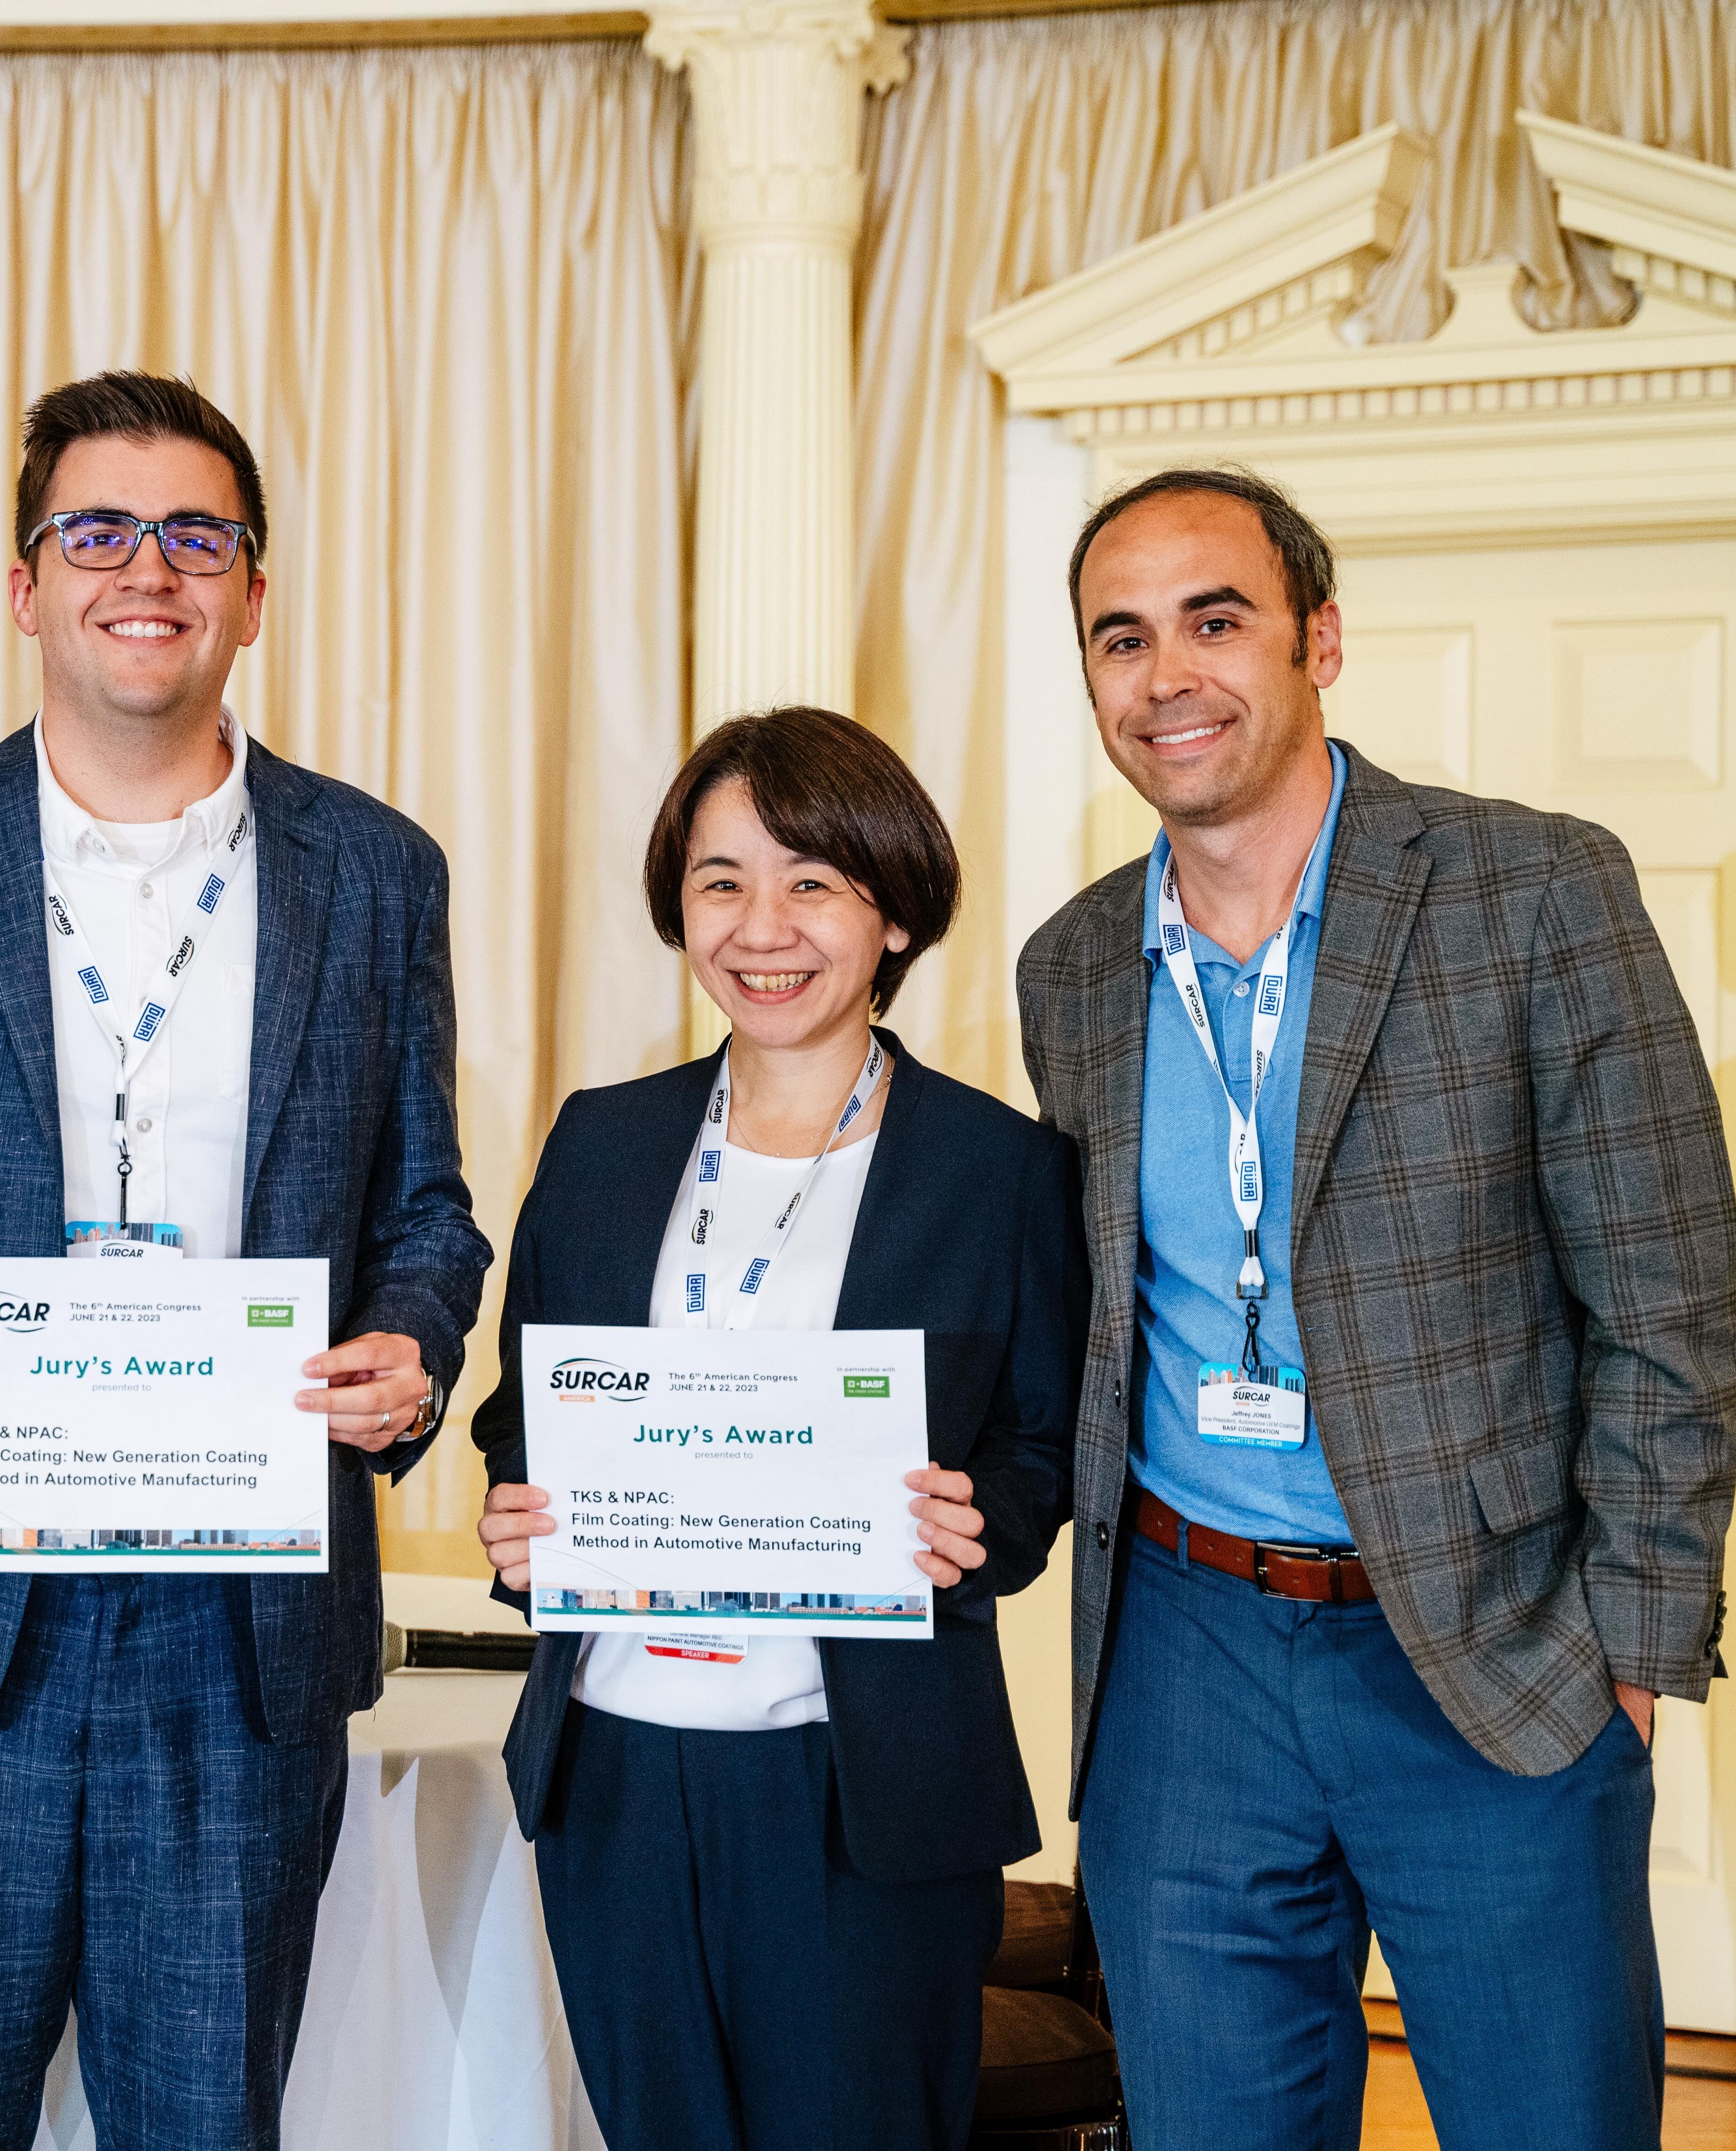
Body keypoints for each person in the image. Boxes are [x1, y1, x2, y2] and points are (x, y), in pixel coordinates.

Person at [0, 369, 491, 2151]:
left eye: (195, 537)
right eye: (97, 532)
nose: (147, 569)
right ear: (25, 586)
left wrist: (410, 1346)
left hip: (235, 1639)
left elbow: (428, 1214)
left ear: (252, 591)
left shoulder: (377, 873)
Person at [1017, 467, 1736, 2149]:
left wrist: (1632, 1656)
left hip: (1495, 1648)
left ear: (1319, 641)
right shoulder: (1073, 966)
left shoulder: (1532, 892)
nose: (1167, 675)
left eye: (1216, 621)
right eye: (1122, 639)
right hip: (1186, 1657)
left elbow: (1667, 1299)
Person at [472, 707, 1087, 2151]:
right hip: (618, 1767)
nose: (764, 927)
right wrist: (518, 1512)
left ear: (894, 911)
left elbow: (1047, 1451)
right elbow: (523, 1412)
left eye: (813, 881)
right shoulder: (603, 1141)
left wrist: (980, 1521)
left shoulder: (996, 1169)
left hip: (861, 1781)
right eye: (723, 881)